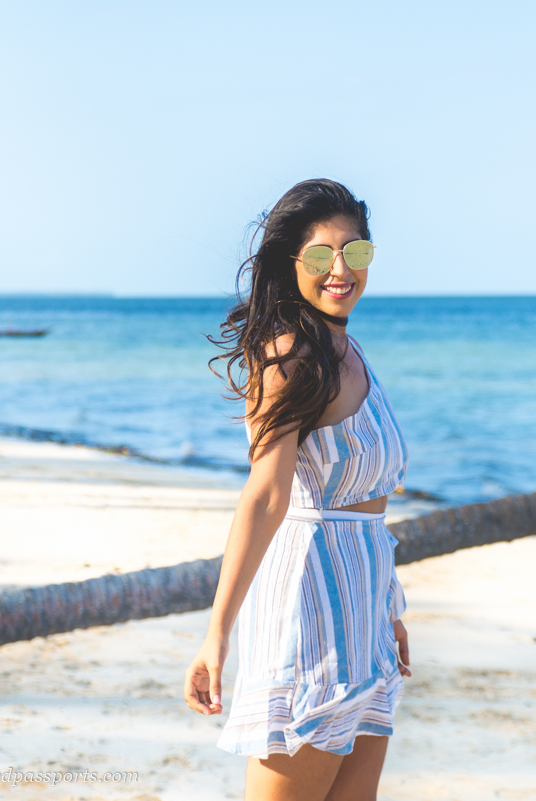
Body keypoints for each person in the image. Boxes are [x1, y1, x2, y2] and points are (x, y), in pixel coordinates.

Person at [183, 179, 411, 800]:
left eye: (355, 252)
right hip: (309, 608)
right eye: (320, 256)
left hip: (364, 609)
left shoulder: (350, 347)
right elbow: (264, 495)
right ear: (293, 265)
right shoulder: (289, 355)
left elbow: (368, 507)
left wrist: (389, 606)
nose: (340, 270)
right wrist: (217, 632)